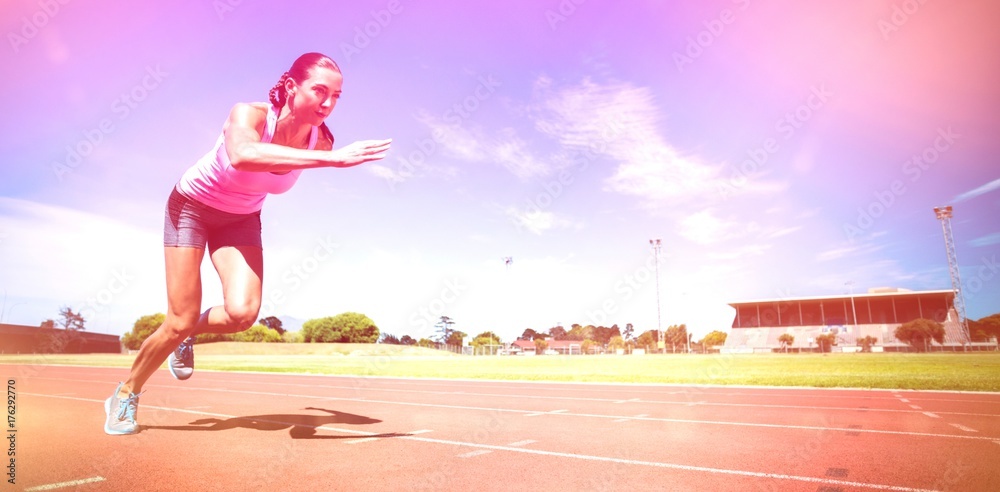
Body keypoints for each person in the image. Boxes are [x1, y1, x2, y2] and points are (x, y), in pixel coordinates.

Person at [104, 52, 391, 435]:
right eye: (319, 90)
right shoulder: (250, 115)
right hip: (191, 208)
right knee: (179, 319)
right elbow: (242, 155)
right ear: (291, 86)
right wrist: (335, 161)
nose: (328, 103)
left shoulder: (321, 140)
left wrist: (329, 157)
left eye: (336, 96)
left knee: (242, 314)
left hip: (241, 218)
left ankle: (188, 335)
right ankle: (126, 393)